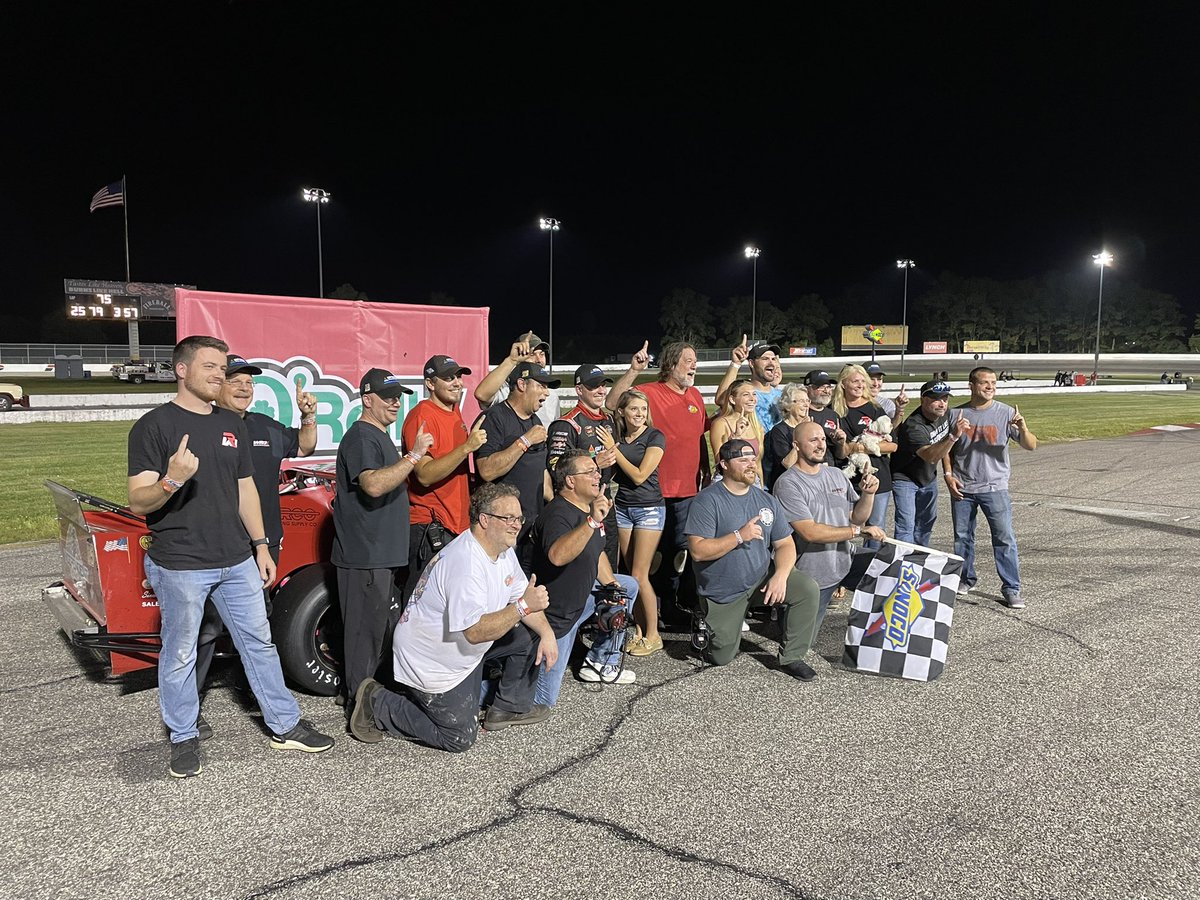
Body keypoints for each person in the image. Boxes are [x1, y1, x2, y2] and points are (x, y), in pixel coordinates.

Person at [127, 335, 333, 779]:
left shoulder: (232, 424)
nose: (220, 374)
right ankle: (183, 736)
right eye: (210, 366)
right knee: (181, 652)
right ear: (181, 370)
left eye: (222, 367)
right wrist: (171, 481)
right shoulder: (153, 426)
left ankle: (285, 725)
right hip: (180, 564)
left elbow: (245, 490)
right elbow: (138, 502)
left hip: (237, 560)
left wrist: (260, 545)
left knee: (258, 644)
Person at [348, 483, 559, 750]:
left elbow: (521, 595)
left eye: (519, 518)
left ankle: (508, 707)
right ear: (484, 519)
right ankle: (377, 701)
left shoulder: (502, 550)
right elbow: (474, 631)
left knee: (530, 632)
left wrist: (547, 633)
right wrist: (521, 608)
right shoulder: (465, 563)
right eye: (508, 518)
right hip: (433, 658)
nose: (516, 525)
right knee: (458, 737)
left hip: (465, 651)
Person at [193, 354, 318, 702]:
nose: (244, 387)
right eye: (236, 380)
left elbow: (305, 445)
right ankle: (190, 702)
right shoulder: (202, 426)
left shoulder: (264, 426)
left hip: (263, 544)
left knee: (258, 620)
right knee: (208, 626)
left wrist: (308, 415)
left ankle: (257, 691)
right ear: (218, 385)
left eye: (249, 382)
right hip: (218, 544)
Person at [333, 367, 433, 713]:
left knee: (374, 634)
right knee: (364, 638)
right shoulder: (362, 436)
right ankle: (359, 709)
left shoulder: (376, 436)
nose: (394, 403)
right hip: (365, 557)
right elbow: (373, 484)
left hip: (378, 556)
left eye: (397, 397)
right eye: (387, 397)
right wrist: (414, 456)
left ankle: (365, 699)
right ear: (367, 399)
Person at [685, 439, 821, 679]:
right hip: (724, 590)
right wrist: (739, 536)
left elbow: (785, 544)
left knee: (806, 588)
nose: (751, 465)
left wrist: (780, 575)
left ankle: (792, 657)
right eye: (742, 460)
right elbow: (698, 551)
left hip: (760, 580)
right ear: (724, 464)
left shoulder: (766, 500)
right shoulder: (707, 500)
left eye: (752, 459)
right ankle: (706, 620)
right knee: (721, 657)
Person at [530, 449, 641, 704]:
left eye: (596, 471)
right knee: (544, 700)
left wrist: (612, 587)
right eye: (589, 472)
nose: (597, 475)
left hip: (582, 595)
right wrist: (591, 521)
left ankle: (600, 662)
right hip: (558, 611)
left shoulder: (586, 509)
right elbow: (557, 556)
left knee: (626, 587)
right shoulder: (558, 514)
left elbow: (596, 551)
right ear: (570, 480)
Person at [611, 341, 708, 627]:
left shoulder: (696, 396)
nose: (694, 365)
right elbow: (613, 403)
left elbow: (698, 437)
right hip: (652, 492)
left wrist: (704, 465)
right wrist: (633, 371)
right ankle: (639, 611)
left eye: (695, 360)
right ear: (670, 364)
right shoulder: (650, 391)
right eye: (688, 360)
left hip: (688, 490)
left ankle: (669, 605)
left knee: (678, 553)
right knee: (648, 558)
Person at [774, 422, 887, 631]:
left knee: (888, 569)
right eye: (813, 440)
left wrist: (868, 494)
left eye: (823, 439)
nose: (820, 445)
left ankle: (875, 632)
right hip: (812, 571)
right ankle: (785, 606)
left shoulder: (835, 474)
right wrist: (857, 532)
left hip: (844, 558)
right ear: (796, 446)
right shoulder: (788, 484)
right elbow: (809, 532)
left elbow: (856, 517)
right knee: (798, 640)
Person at [944, 367, 1038, 609]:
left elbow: (1031, 446)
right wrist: (949, 475)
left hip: (995, 487)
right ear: (972, 385)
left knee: (1004, 538)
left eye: (993, 383)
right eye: (985, 383)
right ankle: (966, 579)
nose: (990, 387)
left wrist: (1024, 428)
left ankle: (1011, 588)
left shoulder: (1006, 413)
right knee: (963, 538)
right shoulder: (956, 413)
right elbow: (947, 449)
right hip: (963, 487)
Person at [401, 355, 487, 599]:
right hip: (430, 527)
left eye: (459, 376)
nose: (457, 382)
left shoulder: (453, 411)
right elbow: (424, 475)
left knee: (450, 600)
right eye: (448, 378)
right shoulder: (422, 416)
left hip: (456, 525)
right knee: (421, 601)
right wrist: (466, 448)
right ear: (430, 383)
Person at [599, 388, 666, 656]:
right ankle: (638, 629)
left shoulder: (654, 436)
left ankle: (654, 634)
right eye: (634, 409)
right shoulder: (619, 437)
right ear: (623, 413)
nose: (640, 414)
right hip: (624, 508)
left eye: (643, 409)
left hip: (649, 509)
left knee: (640, 573)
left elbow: (640, 476)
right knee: (630, 575)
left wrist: (614, 449)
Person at [474, 362, 560, 571]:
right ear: (521, 384)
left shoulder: (535, 420)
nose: (546, 393)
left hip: (530, 528)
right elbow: (486, 470)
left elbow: (541, 473)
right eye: (541, 386)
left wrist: (558, 505)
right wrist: (524, 442)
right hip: (501, 529)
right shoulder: (494, 418)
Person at [547, 363, 620, 566]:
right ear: (579, 390)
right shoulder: (567, 424)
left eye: (604, 385)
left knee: (610, 561)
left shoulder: (609, 421)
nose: (601, 390)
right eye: (594, 386)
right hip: (579, 506)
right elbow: (556, 468)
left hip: (606, 500)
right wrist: (596, 463)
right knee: (585, 563)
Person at [890, 380, 969, 547]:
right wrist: (953, 437)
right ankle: (902, 564)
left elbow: (944, 448)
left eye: (945, 399)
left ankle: (919, 558)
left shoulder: (945, 415)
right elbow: (931, 456)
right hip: (905, 478)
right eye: (936, 399)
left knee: (926, 524)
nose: (942, 404)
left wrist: (948, 474)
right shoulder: (914, 426)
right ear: (923, 400)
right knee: (906, 526)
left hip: (928, 477)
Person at [832, 363, 897, 548]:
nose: (860, 385)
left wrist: (859, 447)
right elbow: (840, 450)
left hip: (877, 478)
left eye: (863, 381)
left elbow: (892, 446)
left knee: (875, 530)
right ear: (843, 383)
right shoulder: (834, 410)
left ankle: (871, 573)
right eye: (855, 381)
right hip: (846, 479)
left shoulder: (874, 409)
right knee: (845, 528)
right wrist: (853, 448)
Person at [473, 331, 558, 427]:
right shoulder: (506, 388)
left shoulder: (552, 395)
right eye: (532, 354)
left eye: (542, 354)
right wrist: (512, 360)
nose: (539, 360)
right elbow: (481, 395)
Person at [714, 336, 783, 432]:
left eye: (773, 359)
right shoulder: (745, 394)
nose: (771, 362)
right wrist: (736, 364)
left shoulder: (782, 396)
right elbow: (721, 400)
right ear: (751, 363)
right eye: (765, 359)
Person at [709, 380, 765, 484]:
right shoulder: (721, 424)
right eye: (746, 395)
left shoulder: (757, 427)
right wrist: (736, 436)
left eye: (754, 394)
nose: (752, 399)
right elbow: (720, 461)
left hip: (752, 482)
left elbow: (757, 463)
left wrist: (761, 487)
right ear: (732, 399)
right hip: (728, 482)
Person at [762, 383, 810, 491]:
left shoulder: (812, 427)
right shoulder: (779, 431)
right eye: (801, 401)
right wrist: (802, 433)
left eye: (807, 401)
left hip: (809, 483)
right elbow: (788, 464)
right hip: (788, 486)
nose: (806, 405)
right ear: (788, 405)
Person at [804, 369, 847, 466]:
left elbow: (841, 455)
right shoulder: (802, 412)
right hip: (808, 470)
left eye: (829, 387)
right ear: (808, 389)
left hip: (829, 471)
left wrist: (841, 444)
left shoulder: (833, 415)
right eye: (821, 387)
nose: (826, 391)